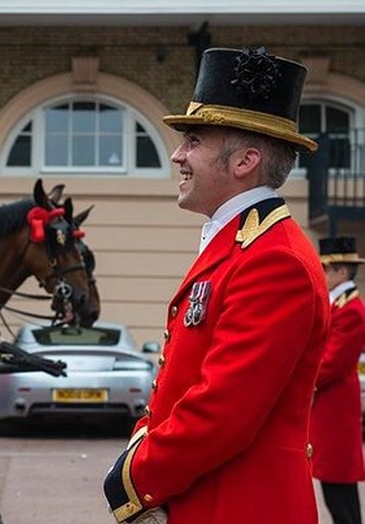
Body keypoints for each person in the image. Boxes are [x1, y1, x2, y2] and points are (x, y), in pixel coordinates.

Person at [103, 46, 331, 524]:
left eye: (194, 140)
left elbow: (221, 414)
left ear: (245, 160)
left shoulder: (275, 261)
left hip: (240, 506)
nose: (177, 155)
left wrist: (132, 478)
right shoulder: (244, 245)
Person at [311, 236, 365, 524]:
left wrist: (302, 381)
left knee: (339, 488)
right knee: (334, 488)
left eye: (326, 269)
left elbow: (331, 363)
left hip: (336, 410)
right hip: (331, 407)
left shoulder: (352, 311)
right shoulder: (339, 305)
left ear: (341, 272)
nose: (323, 274)